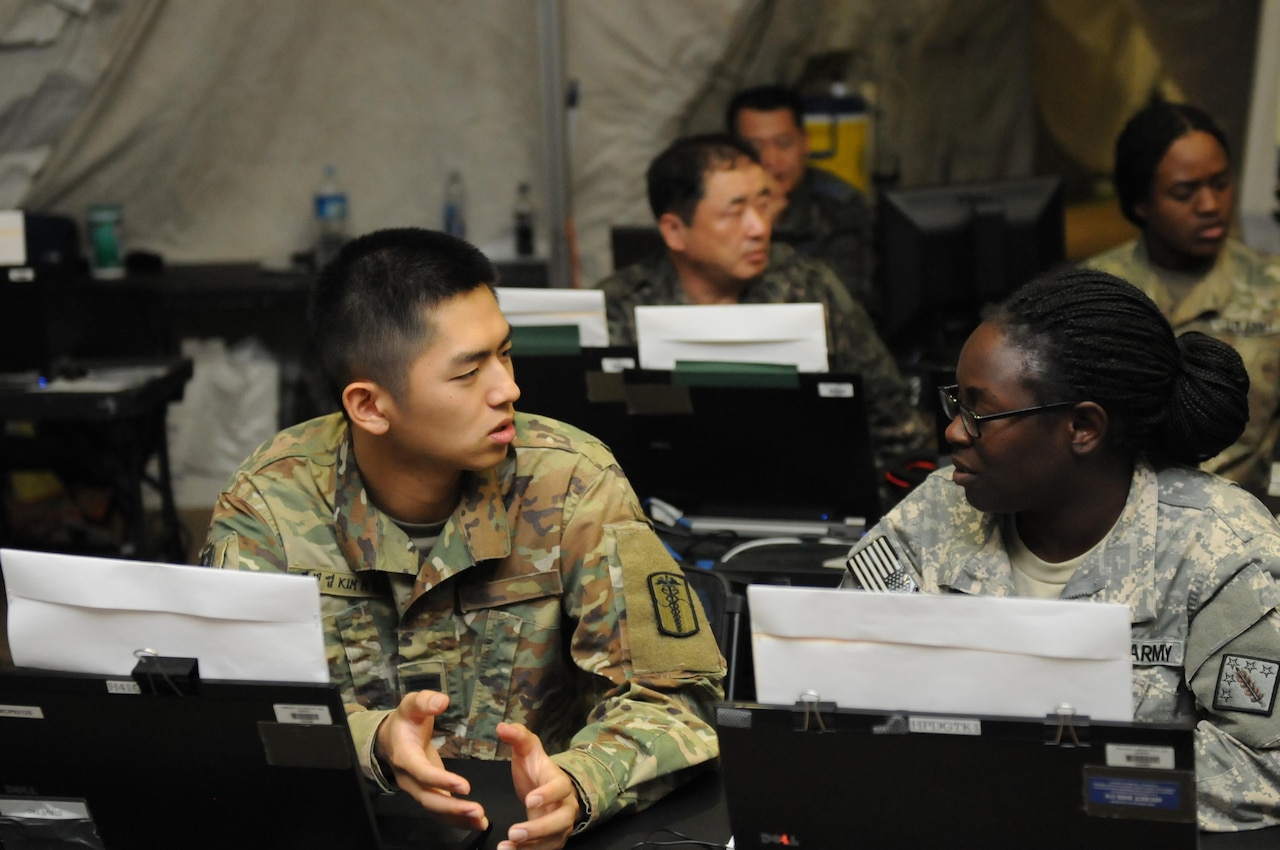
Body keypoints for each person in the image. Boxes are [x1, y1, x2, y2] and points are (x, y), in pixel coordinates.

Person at [201, 228, 724, 849]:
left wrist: (582, 782)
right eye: (469, 372)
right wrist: (375, 740)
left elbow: (676, 698)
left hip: (531, 836)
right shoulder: (272, 503)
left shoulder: (571, 482)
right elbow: (230, 718)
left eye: (504, 354)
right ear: (369, 405)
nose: (507, 389)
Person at [843, 267, 1280, 831]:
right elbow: (845, 680)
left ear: (1082, 427)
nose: (953, 432)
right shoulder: (938, 511)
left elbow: (1263, 762)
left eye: (980, 412)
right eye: (956, 402)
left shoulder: (1220, 548)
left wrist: (1059, 789)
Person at [597, 132, 928, 465]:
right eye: (735, 212)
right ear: (674, 231)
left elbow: (895, 425)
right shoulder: (618, 307)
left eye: (763, 205)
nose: (759, 228)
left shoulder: (808, 288)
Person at [1085, 101, 1280, 502]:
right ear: (1141, 203)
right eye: (1184, 192)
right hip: (1115, 521)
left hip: (1239, 522)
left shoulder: (1274, 287)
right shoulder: (1092, 293)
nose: (1210, 205)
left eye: (1221, 183)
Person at [725, 84, 877, 317]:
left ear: (805, 143)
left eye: (783, 143)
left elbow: (840, 309)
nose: (770, 160)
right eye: (753, 147)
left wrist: (772, 229)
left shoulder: (840, 207)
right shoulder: (718, 206)